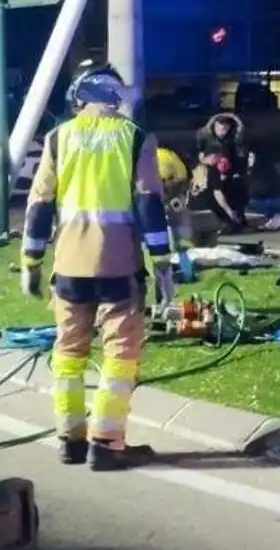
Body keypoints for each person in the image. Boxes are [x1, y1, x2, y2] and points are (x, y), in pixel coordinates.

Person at [19, 65, 174, 472]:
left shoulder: (58, 137)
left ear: (80, 96)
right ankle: (106, 444)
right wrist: (162, 264)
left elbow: (38, 208)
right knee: (120, 355)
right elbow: (149, 205)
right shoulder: (136, 137)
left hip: (69, 265)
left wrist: (31, 264)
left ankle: (70, 440)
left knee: (68, 353)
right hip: (119, 265)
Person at [196, 113, 251, 231]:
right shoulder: (207, 140)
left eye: (226, 127)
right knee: (214, 196)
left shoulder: (233, 141)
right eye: (220, 126)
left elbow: (240, 157)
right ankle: (229, 218)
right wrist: (205, 160)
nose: (223, 130)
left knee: (236, 193)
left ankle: (236, 219)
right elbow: (199, 154)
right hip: (213, 176)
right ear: (215, 126)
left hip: (232, 175)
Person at [157, 146, 197, 282]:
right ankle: (173, 273)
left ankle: (187, 272)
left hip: (172, 200)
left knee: (182, 240)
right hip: (154, 202)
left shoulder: (168, 157)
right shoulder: (161, 157)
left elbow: (183, 179)